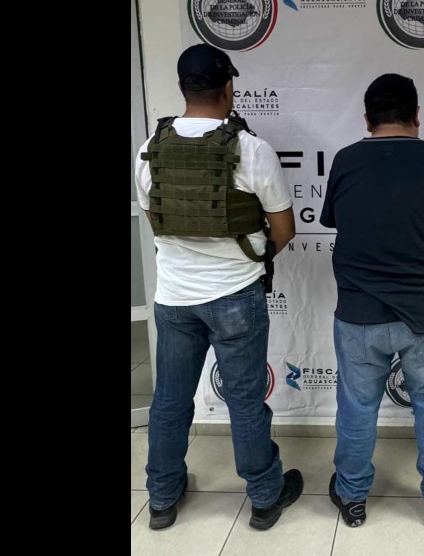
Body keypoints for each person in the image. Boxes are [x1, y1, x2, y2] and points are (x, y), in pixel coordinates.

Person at [134, 43, 303, 531]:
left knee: (170, 400)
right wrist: (249, 258)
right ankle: (265, 498)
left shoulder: (149, 148)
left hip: (173, 298)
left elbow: (155, 221)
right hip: (235, 297)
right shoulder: (251, 149)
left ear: (182, 87)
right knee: (245, 402)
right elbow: (284, 230)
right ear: (229, 88)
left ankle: (162, 499)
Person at [320, 73, 424, 529]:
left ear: (367, 118)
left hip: (359, 314)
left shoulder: (346, 161)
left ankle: (351, 496)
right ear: (417, 116)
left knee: (356, 409)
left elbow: (338, 221)